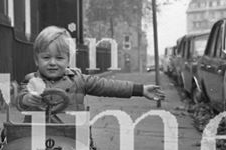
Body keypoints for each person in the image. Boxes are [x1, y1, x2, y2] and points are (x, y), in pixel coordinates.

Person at [16, 26, 165, 112]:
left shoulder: (78, 80)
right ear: (37, 59)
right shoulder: (32, 81)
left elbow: (107, 86)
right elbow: (19, 100)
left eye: (60, 58)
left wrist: (140, 90)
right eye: (46, 57)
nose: (53, 63)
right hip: (36, 138)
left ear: (69, 60)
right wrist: (27, 99)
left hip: (72, 137)